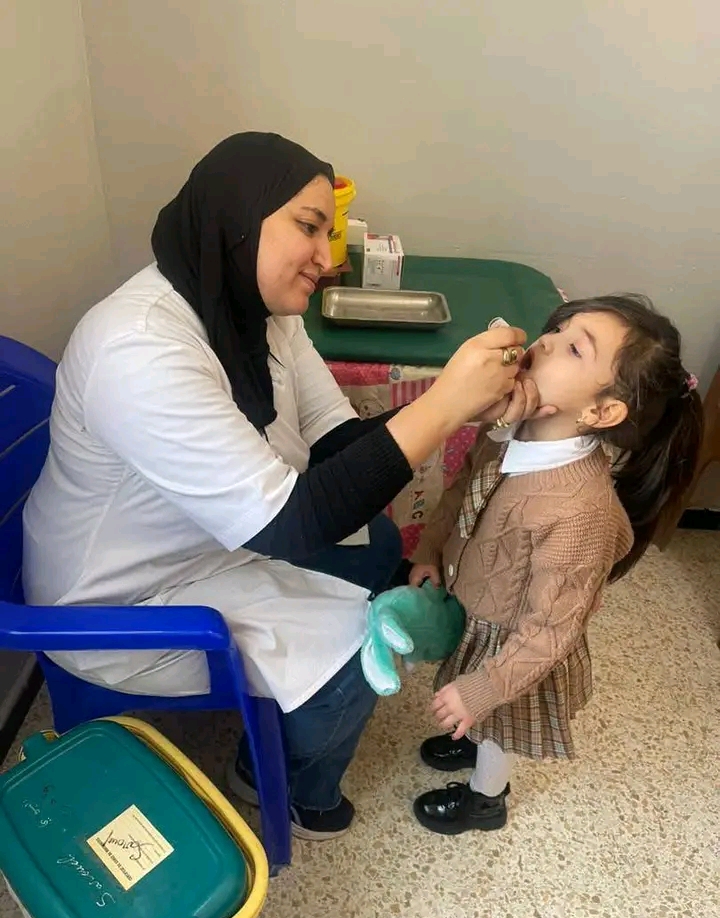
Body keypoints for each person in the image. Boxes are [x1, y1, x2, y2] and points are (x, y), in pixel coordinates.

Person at [22, 132, 535, 841]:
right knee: (355, 647)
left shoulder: (256, 312)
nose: (327, 257)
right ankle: (289, 787)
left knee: (376, 543)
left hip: (202, 539)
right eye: (308, 227)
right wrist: (443, 405)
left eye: (328, 231)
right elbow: (291, 524)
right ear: (237, 219)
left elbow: (336, 445)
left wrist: (457, 407)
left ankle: (290, 720)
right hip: (118, 601)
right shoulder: (139, 349)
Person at [408, 295, 703, 835]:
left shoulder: (579, 514)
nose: (545, 342)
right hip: (477, 611)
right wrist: (430, 550)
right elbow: (460, 491)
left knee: (499, 727)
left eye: (574, 349)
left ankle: (486, 799)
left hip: (517, 646)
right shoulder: (507, 431)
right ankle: (471, 736)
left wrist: (483, 690)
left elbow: (549, 630)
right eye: (559, 328)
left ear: (600, 413)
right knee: (476, 713)